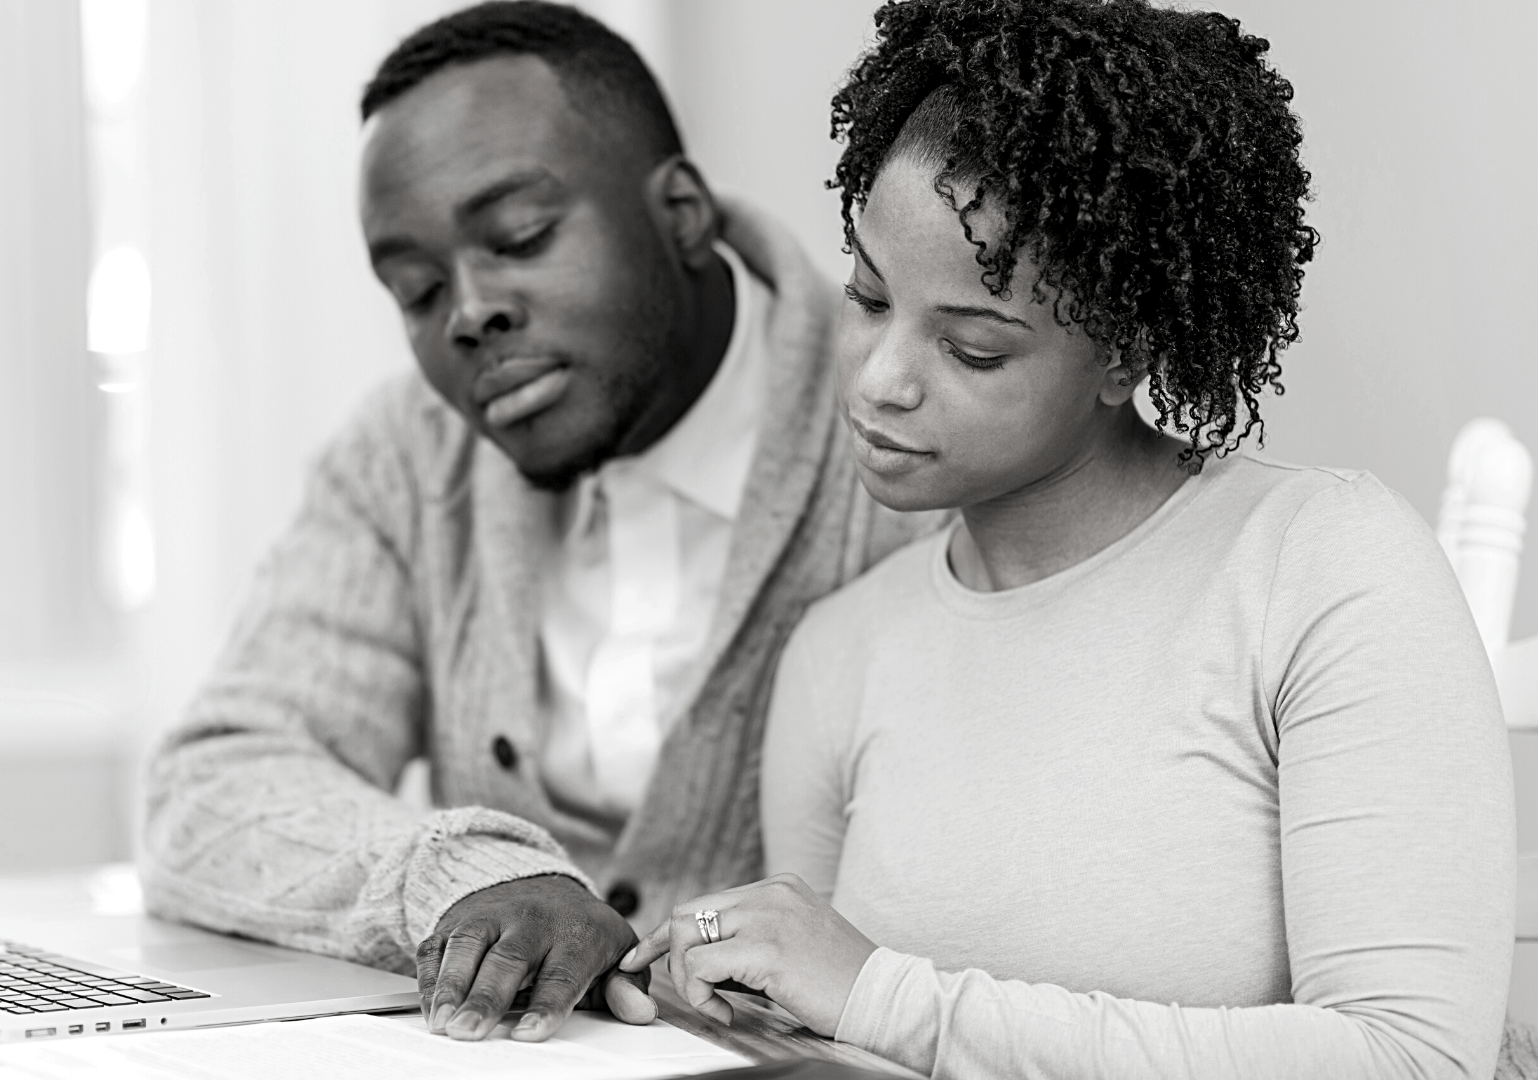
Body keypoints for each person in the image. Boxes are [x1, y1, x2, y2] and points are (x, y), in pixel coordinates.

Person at [622, 1, 1517, 1076]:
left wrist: (884, 995)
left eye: (971, 349)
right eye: (867, 295)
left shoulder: (1322, 567)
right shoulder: (841, 653)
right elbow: (823, 1046)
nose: (877, 380)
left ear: (1124, 354)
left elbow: (1413, 1058)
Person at [139, 0, 941, 1045]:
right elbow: (212, 787)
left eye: (520, 238)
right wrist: (476, 873)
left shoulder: (907, 420)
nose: (469, 313)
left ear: (683, 211)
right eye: (417, 290)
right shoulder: (408, 455)